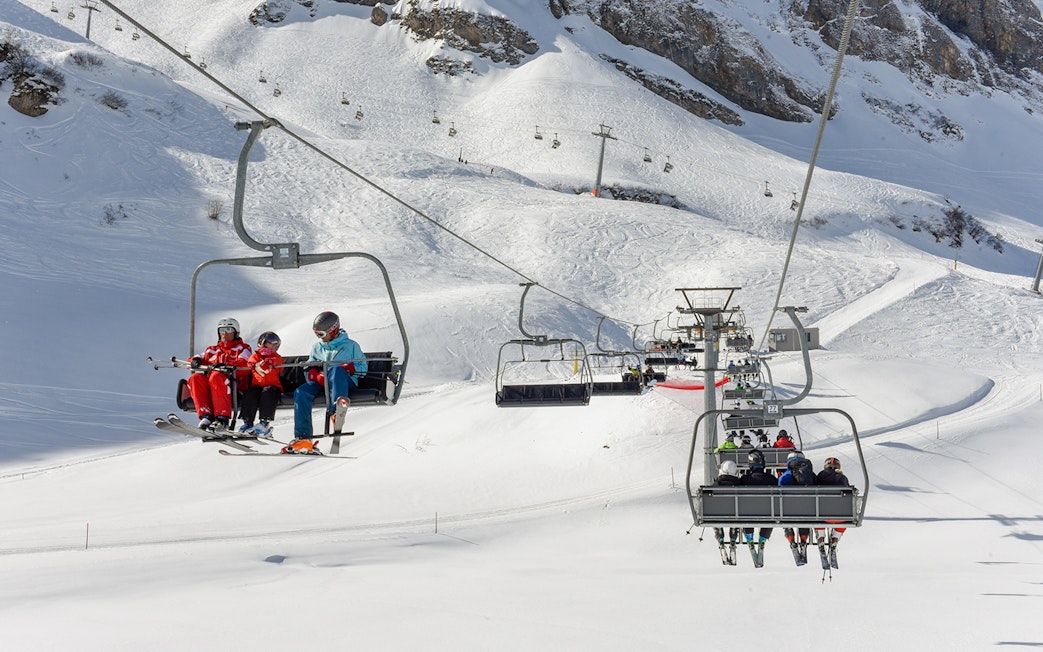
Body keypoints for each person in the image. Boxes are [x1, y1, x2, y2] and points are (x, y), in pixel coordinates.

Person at [288, 311, 368, 451]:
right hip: (322, 383)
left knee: (336, 371)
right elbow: (309, 365)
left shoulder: (351, 346)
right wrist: (313, 374)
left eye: (321, 334)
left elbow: (363, 368)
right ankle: (303, 438)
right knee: (301, 392)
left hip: (344, 382)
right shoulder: (317, 347)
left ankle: (337, 411)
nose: (319, 338)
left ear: (333, 330)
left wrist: (351, 368)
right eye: (317, 334)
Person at [187, 317, 251, 431]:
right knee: (195, 377)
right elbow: (196, 358)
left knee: (216, 376)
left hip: (233, 385)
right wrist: (195, 360)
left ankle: (222, 419)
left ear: (235, 332)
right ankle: (206, 416)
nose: (224, 334)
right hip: (212, 385)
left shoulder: (243, 348)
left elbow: (245, 364)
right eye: (221, 330)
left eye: (228, 330)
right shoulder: (212, 350)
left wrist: (225, 365)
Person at [237, 331, 285, 438]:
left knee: (268, 393)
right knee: (250, 394)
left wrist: (269, 362)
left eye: (276, 344)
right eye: (270, 342)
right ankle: (247, 422)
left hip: (273, 386)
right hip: (257, 386)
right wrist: (257, 364)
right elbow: (250, 362)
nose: (273, 345)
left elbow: (280, 363)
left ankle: (264, 423)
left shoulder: (276, 357)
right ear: (262, 342)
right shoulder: (256, 356)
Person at [779, 451, 816, 565]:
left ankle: (791, 540)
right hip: (808, 511)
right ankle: (803, 540)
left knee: (786, 514)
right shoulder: (811, 475)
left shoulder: (786, 476)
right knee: (803, 516)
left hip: (788, 512)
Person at [741, 449, 776, 567]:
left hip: (748, 515)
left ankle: (749, 537)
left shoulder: (744, 480)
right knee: (770, 515)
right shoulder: (771, 479)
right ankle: (763, 539)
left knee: (746, 512)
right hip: (768, 515)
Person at [815, 456, 850, 564]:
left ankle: (820, 537)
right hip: (841, 518)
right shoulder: (843, 478)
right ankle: (835, 539)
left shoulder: (820, 476)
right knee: (844, 519)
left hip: (822, 516)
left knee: (815, 518)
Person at [713, 460, 742, 565]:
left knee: (715, 515)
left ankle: (720, 538)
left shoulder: (716, 484)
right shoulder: (740, 484)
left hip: (718, 515)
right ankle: (733, 537)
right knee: (735, 516)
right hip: (736, 514)